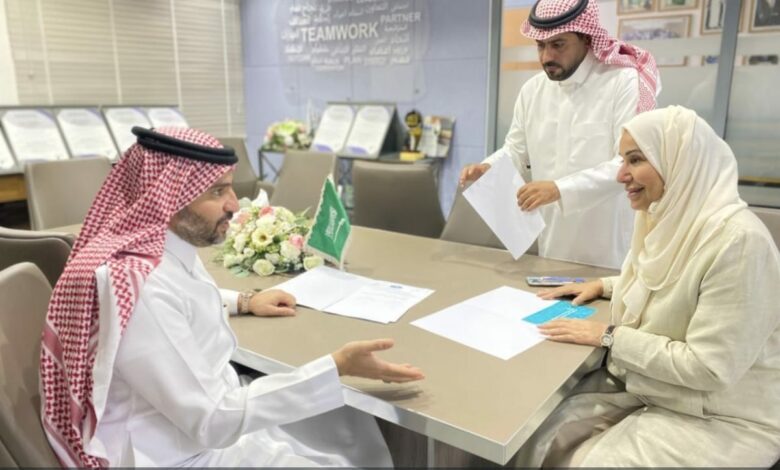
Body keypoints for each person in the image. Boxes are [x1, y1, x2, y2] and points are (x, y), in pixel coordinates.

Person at [39, 127, 424, 467]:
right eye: (217, 191)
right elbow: (212, 421)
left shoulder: (161, 250)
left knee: (349, 425)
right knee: (343, 430)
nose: (235, 205)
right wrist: (336, 366)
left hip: (201, 421)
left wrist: (243, 301)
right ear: (168, 199)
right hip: (180, 453)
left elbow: (182, 296)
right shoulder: (143, 288)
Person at [515, 106, 780, 466]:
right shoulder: (669, 218)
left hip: (722, 416)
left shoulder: (740, 243)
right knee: (540, 437)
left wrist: (609, 335)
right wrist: (605, 285)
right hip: (659, 390)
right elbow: (667, 278)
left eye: (635, 160)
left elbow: (709, 367)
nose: (621, 175)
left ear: (679, 161)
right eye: (622, 160)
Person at [459, 0, 660, 269]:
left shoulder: (622, 82)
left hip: (610, 249)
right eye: (540, 46)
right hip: (552, 245)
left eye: (558, 44)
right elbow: (516, 150)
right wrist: (489, 167)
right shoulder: (532, 91)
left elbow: (628, 165)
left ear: (586, 38)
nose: (546, 57)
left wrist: (559, 189)